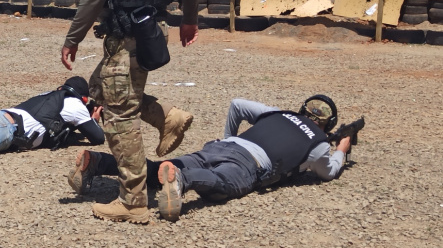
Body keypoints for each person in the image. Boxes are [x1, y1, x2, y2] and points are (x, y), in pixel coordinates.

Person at [60, 0, 199, 224]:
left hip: (126, 35)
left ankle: (133, 201)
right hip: (154, 31)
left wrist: (72, 38)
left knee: (119, 114)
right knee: (99, 89)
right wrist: (190, 19)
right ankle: (167, 116)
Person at [67, 96, 353, 222]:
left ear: (302, 109)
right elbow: (327, 172)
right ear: (328, 125)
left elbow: (238, 105)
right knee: (222, 184)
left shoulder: (280, 114)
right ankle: (182, 181)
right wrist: (341, 148)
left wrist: (227, 139)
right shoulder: (317, 144)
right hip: (248, 163)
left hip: (222, 146)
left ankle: (98, 162)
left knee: (158, 171)